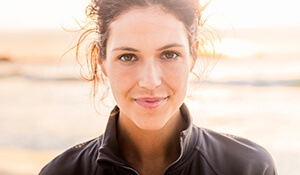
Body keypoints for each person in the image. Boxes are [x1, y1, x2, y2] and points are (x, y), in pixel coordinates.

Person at [39, 0, 277, 174]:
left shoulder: (249, 168)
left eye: (169, 54)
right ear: (101, 62)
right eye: (128, 57)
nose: (150, 81)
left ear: (193, 57)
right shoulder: (62, 172)